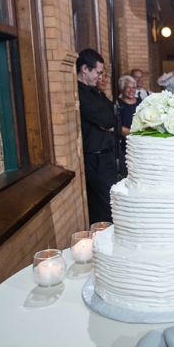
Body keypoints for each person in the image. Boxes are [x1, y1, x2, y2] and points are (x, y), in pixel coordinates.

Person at [75, 48, 117, 224]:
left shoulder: (94, 92)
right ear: (85, 68)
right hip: (95, 159)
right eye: (98, 72)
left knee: (108, 206)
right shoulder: (80, 92)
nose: (100, 77)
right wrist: (108, 119)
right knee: (108, 208)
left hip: (106, 157)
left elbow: (115, 113)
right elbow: (107, 120)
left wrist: (109, 119)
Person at [116, 75, 142, 178]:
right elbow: (118, 126)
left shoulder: (141, 103)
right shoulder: (118, 103)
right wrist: (134, 134)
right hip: (125, 144)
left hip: (140, 143)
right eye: (128, 87)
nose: (131, 90)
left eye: (133, 87)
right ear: (122, 89)